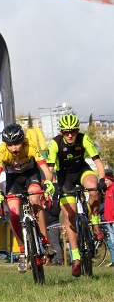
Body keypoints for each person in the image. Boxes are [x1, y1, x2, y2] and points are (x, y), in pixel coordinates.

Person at [0, 123, 56, 273]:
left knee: (35, 200)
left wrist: (49, 182)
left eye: (17, 143)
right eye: (10, 145)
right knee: (13, 213)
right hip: (14, 181)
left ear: (22, 140)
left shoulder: (31, 146)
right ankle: (21, 250)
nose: (14, 149)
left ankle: (45, 242)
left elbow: (46, 170)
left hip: (31, 176)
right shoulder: (0, 153)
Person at [46, 114, 106, 277]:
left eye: (73, 131)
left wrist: (101, 180)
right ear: (61, 132)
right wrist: (49, 184)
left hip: (82, 171)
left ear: (77, 131)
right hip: (65, 178)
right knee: (70, 216)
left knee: (93, 189)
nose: (70, 135)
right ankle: (76, 258)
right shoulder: (55, 144)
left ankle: (95, 223)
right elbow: (49, 170)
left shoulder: (84, 139)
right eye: (66, 132)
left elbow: (98, 163)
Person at [44, 188, 63, 266]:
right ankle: (52, 260)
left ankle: (58, 260)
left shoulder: (55, 201)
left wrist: (46, 207)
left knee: (55, 243)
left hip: (54, 224)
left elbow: (55, 212)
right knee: (51, 244)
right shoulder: (46, 201)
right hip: (47, 225)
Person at [101, 168, 114, 267]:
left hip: (113, 219)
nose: (104, 182)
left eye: (106, 180)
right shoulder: (107, 190)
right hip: (108, 220)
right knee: (112, 243)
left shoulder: (113, 189)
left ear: (110, 180)